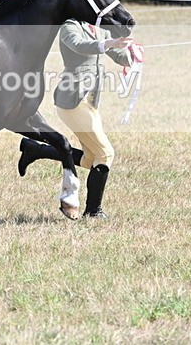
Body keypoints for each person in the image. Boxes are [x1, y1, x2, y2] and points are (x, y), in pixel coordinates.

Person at [18, 18, 140, 220]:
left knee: (91, 159)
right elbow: (80, 46)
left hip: (90, 102)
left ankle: (36, 149)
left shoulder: (100, 29)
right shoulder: (69, 26)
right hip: (72, 101)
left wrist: (132, 54)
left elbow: (119, 55)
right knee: (106, 153)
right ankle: (93, 211)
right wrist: (109, 43)